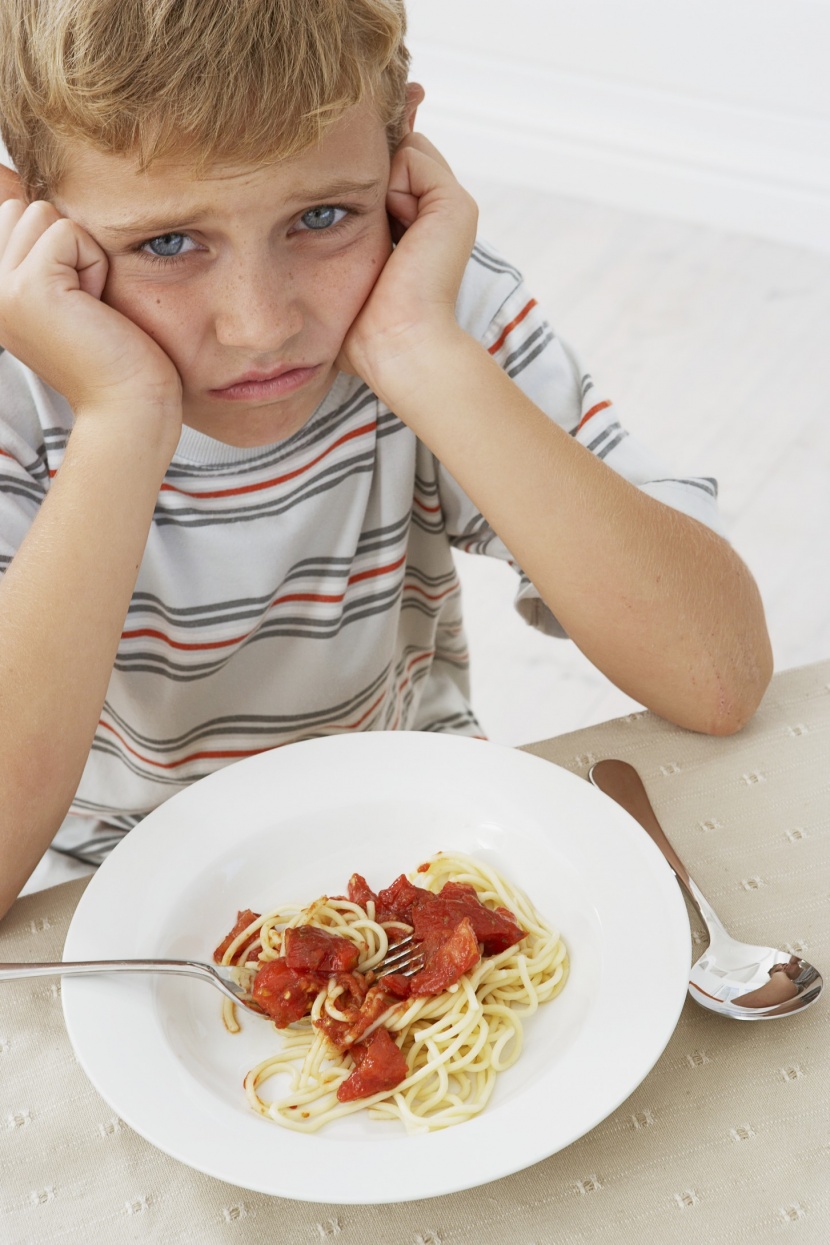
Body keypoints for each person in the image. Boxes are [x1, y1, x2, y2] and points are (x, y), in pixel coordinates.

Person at [0, 0, 772, 919]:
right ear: (28, 211)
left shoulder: (427, 308)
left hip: (415, 834)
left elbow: (717, 675)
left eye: (323, 215)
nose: (263, 324)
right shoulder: (24, 386)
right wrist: (122, 418)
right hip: (96, 890)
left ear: (401, 153)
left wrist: (419, 351)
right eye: (167, 243)